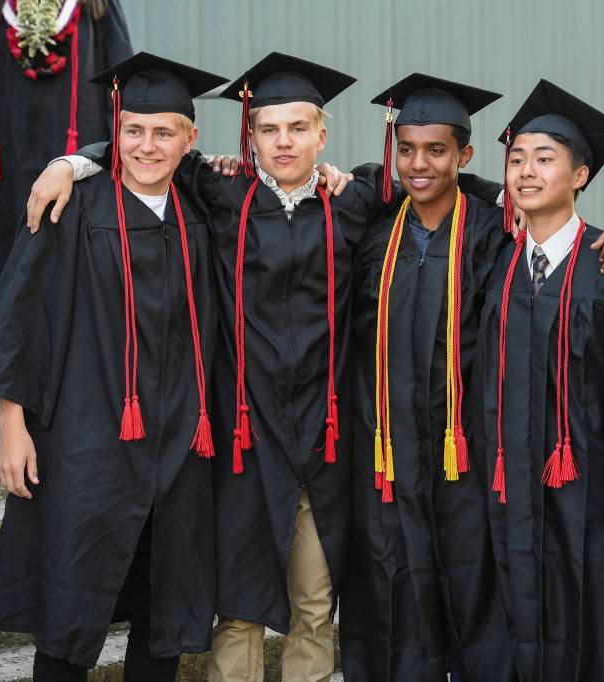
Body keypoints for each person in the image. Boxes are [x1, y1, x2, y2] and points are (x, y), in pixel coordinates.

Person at [27, 51, 381, 682]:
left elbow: (430, 176)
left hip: (324, 438)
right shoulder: (222, 191)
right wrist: (68, 162)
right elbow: (148, 147)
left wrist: (505, 195)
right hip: (243, 435)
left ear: (322, 135)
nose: (283, 141)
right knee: (238, 602)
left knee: (314, 601)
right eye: (268, 129)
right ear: (250, 135)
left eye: (298, 128)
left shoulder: (351, 202)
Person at [0, 52, 224, 681]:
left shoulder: (201, 209)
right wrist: (11, 424)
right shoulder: (74, 206)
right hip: (86, 442)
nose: (146, 146)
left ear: (190, 139)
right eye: (133, 130)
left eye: (164, 132)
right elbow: (21, 315)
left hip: (179, 446)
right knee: (68, 606)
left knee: (163, 610)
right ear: (115, 132)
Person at [340, 73, 515, 682]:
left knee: (473, 585)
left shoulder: (494, 231)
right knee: (392, 592)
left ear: (464, 155)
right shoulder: (374, 232)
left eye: (436, 150)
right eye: (408, 149)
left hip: (463, 454)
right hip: (388, 453)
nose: (419, 164)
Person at [478, 78, 604, 682]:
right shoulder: (496, 262)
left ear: (581, 175)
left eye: (544, 159)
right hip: (509, 479)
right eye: (516, 160)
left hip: (588, 484)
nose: (526, 172)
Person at [0, 0, 131, 304]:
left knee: (74, 283)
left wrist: (118, 151)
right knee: (12, 284)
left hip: (77, 155)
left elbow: (119, 83)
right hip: (7, 156)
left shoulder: (96, 5)